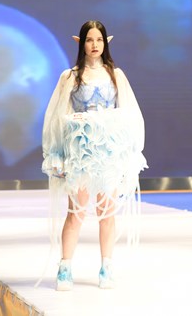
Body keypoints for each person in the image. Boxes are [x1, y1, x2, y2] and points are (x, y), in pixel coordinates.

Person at [42, 20, 146, 291]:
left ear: (105, 42)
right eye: (90, 40)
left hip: (108, 152)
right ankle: (65, 267)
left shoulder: (115, 75)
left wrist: (130, 152)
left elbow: (130, 113)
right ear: (81, 43)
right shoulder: (70, 76)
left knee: (107, 212)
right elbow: (56, 116)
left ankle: (106, 266)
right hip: (80, 151)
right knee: (76, 212)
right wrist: (56, 154)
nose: (95, 45)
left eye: (99, 40)